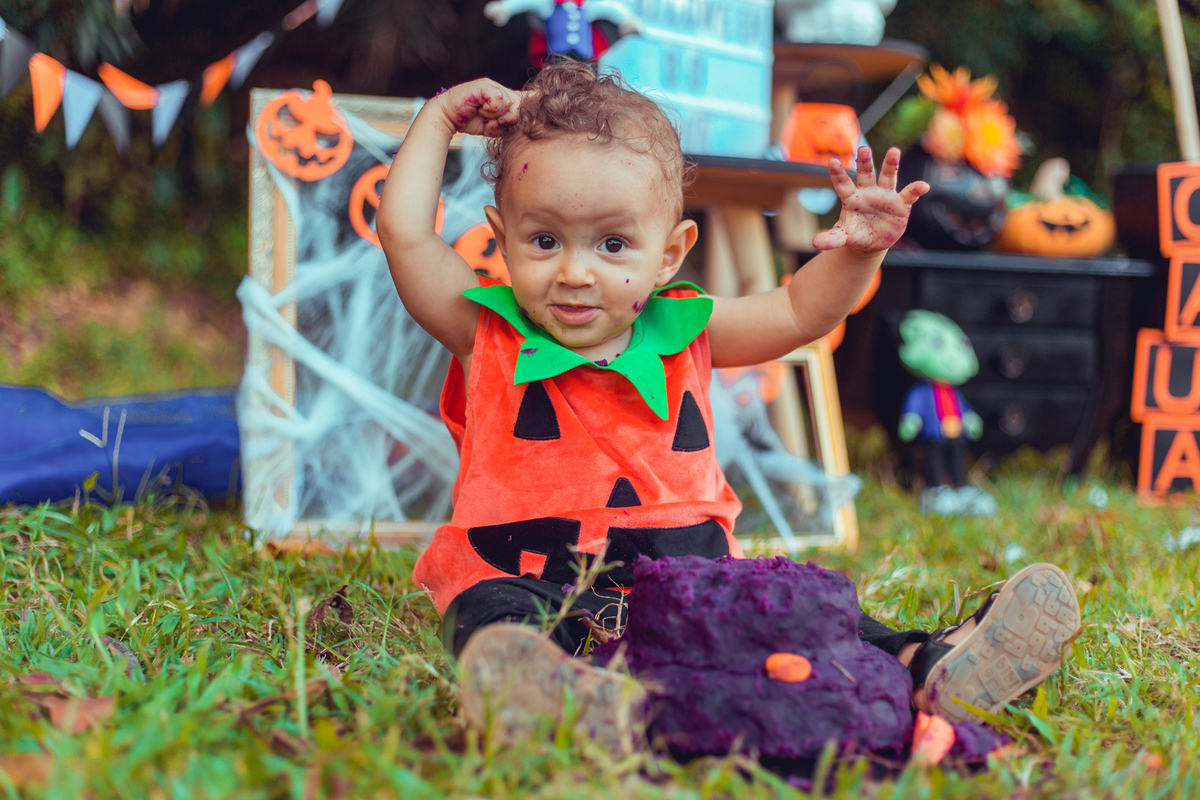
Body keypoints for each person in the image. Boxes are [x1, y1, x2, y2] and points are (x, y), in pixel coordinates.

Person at [376, 61, 1081, 747]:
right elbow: (405, 235)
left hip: (695, 579)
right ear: (501, 239)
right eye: (544, 240)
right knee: (489, 615)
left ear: (669, 254)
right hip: (528, 577)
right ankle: (556, 691)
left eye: (614, 243)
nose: (576, 271)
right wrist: (438, 118)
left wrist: (858, 252)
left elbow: (802, 309)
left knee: (798, 611)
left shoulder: (690, 329)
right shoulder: (485, 332)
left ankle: (926, 663)